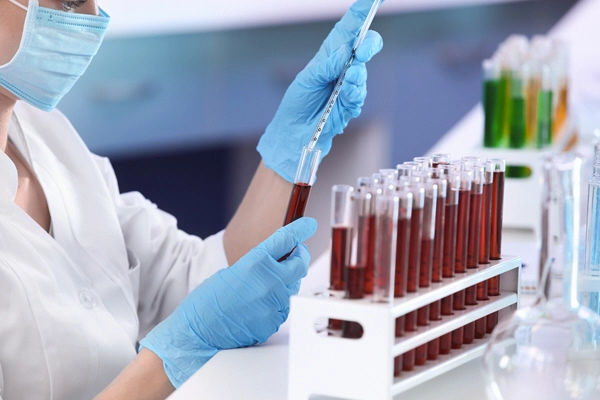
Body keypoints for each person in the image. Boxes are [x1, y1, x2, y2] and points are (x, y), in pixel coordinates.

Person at [0, 0, 383, 398]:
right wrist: (172, 357)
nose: (91, 18)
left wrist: (290, 153)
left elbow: (200, 284)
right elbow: (196, 324)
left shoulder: (50, 137)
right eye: (68, 1)